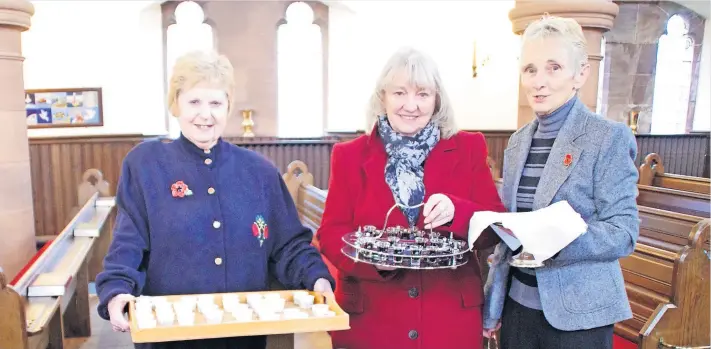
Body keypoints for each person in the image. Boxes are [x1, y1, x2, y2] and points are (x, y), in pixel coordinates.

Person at [95, 50, 335, 349]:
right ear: (175, 104)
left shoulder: (258, 171)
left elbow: (289, 245)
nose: (205, 114)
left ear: (228, 107)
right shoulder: (146, 164)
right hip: (170, 338)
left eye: (216, 103)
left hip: (242, 339)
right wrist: (117, 289)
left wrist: (316, 278)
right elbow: (128, 242)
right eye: (194, 101)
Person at [316, 47, 506, 349]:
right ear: (383, 97)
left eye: (423, 94)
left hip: (448, 320)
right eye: (399, 93)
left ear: (437, 100)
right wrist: (376, 261)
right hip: (373, 322)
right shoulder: (349, 156)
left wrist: (458, 212)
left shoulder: (469, 147)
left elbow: (496, 226)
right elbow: (331, 234)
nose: (410, 105)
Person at [482, 15, 639, 349]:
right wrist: (493, 304)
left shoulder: (606, 138)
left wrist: (555, 239)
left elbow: (623, 232)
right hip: (518, 310)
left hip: (579, 317)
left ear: (580, 73)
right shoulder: (517, 143)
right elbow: (509, 235)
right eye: (530, 69)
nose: (539, 81)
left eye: (553, 67)